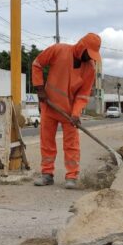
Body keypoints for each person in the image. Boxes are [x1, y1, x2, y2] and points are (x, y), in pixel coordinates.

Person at [32, 33, 101, 189]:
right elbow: (37, 64)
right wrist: (39, 88)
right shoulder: (58, 50)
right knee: (47, 142)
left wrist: (76, 113)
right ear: (82, 46)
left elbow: (83, 94)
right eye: (88, 54)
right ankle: (47, 175)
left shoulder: (89, 68)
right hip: (49, 106)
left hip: (69, 112)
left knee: (71, 145)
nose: (89, 58)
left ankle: (72, 177)